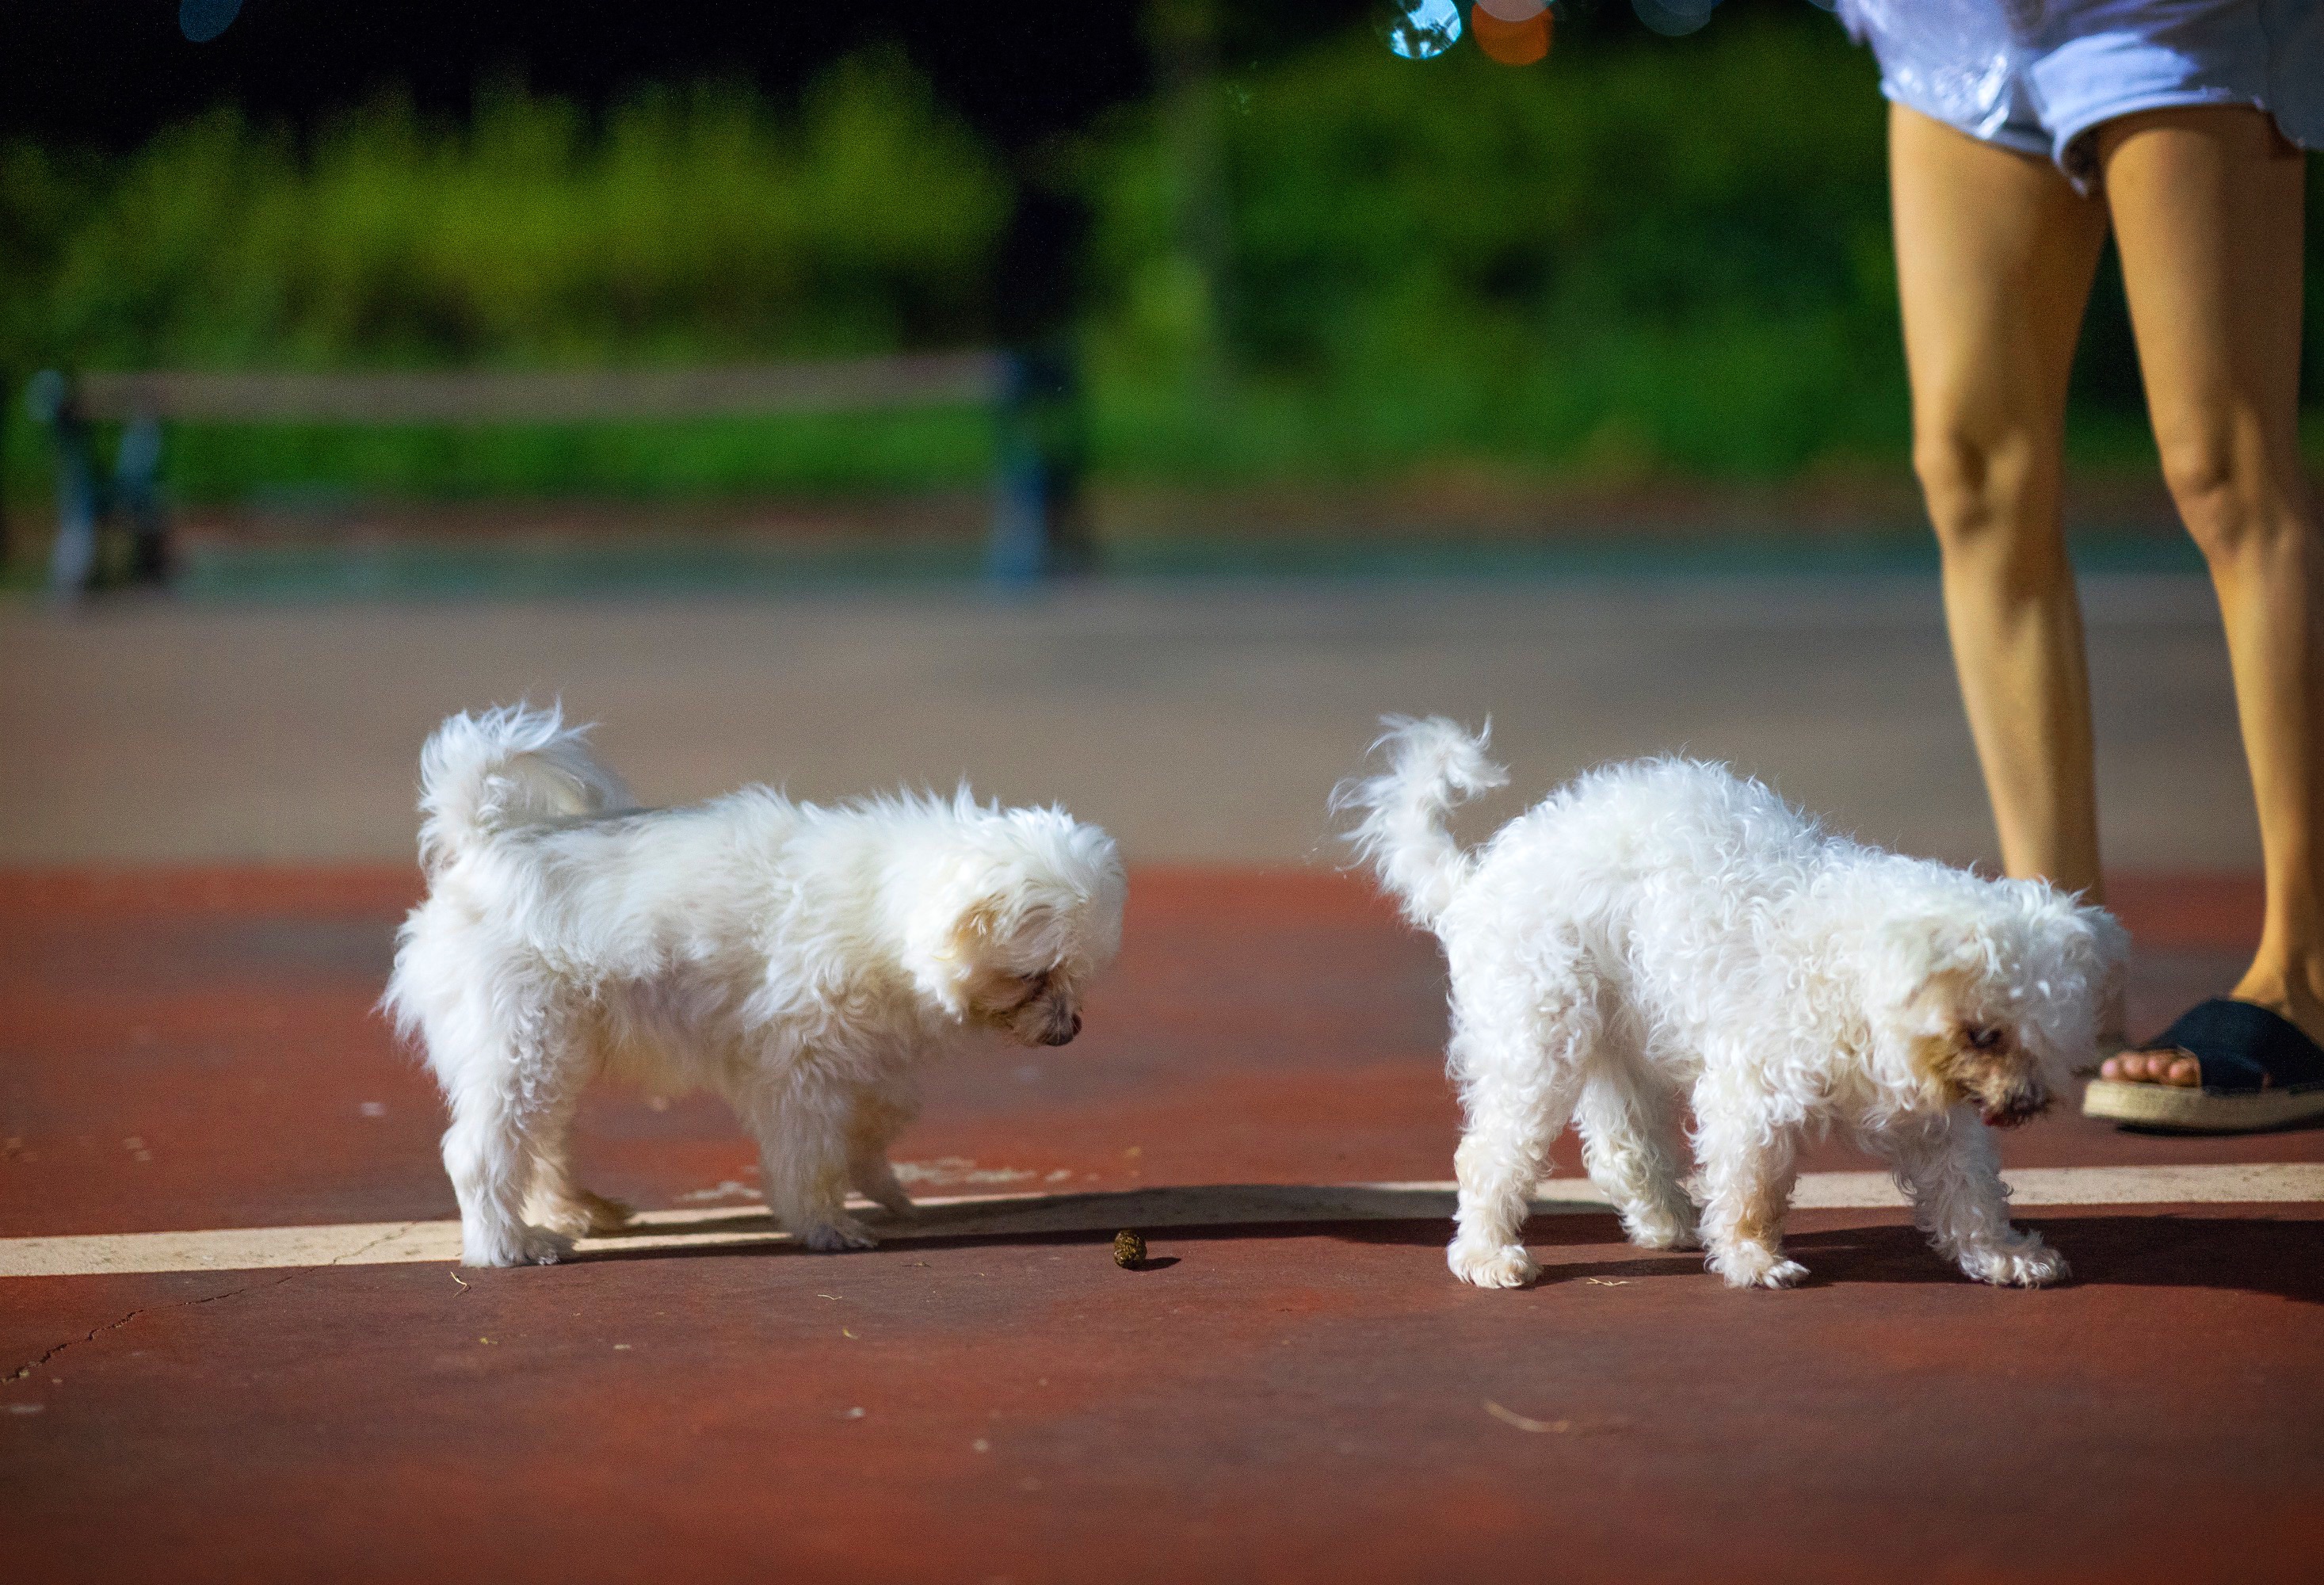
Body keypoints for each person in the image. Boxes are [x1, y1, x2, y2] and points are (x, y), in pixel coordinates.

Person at [1841, 0, 2324, 1129]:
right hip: (1961, 24)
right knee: (1971, 473)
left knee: (2223, 469)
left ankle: (2305, 972)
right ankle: (2065, 968)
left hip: (2160, 14)